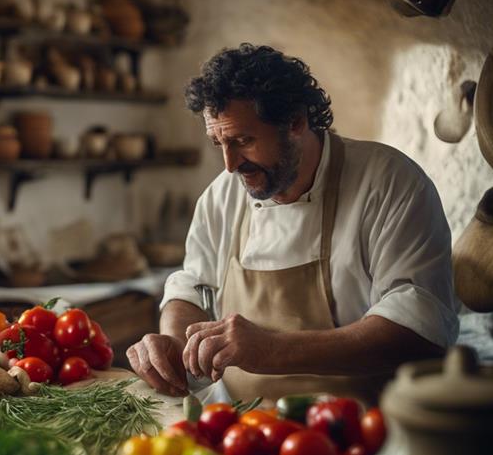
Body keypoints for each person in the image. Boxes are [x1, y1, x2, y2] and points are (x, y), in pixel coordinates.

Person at [127, 43, 458, 401]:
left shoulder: (389, 182)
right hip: (239, 424)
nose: (230, 164)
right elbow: (191, 288)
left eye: (243, 140)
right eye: (218, 142)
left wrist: (270, 349)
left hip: (360, 426)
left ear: (296, 122)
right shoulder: (222, 195)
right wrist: (174, 343)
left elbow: (417, 329)